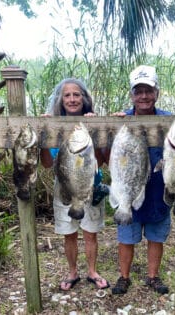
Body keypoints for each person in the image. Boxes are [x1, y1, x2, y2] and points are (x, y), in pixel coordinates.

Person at [40, 78, 110, 291]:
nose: (72, 99)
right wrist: (44, 133)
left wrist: (95, 131)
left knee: (90, 233)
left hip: (90, 186)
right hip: (64, 188)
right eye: (67, 95)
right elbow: (46, 164)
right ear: (61, 100)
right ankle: (72, 273)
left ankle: (92, 271)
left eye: (76, 95)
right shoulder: (55, 126)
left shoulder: (93, 121)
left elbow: (102, 161)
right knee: (68, 233)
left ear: (84, 98)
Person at [111, 65, 171, 295]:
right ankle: (124, 277)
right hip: (129, 189)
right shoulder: (122, 120)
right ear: (132, 95)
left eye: (148, 90)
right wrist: (115, 125)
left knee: (156, 237)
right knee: (126, 237)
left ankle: (153, 277)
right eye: (138, 91)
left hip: (158, 191)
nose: (144, 96)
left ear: (157, 92)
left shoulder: (168, 120)